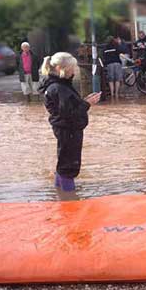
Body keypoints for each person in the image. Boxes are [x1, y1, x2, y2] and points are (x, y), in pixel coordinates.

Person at [39, 52, 101, 192]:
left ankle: (60, 192)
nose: (74, 71)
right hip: (68, 129)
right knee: (69, 164)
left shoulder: (59, 84)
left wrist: (84, 101)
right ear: (62, 68)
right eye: (72, 68)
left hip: (65, 128)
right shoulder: (58, 88)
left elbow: (68, 106)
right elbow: (69, 114)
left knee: (64, 159)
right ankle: (69, 198)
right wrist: (87, 104)